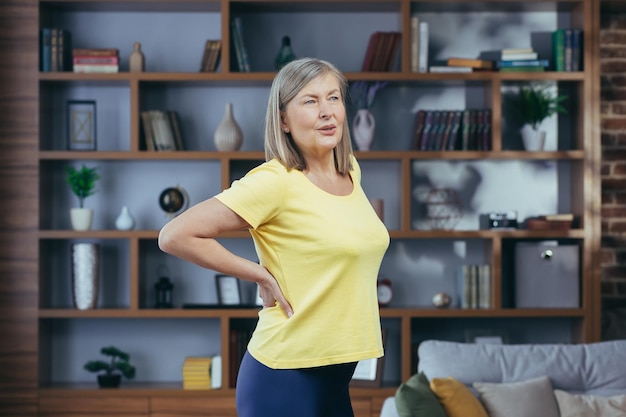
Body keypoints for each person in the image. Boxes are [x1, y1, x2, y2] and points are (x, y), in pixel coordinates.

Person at [158, 57, 390, 417]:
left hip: (335, 375)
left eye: (334, 98)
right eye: (310, 101)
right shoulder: (275, 181)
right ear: (283, 119)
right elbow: (175, 234)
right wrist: (259, 273)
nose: (327, 112)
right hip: (285, 376)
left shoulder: (350, 173)